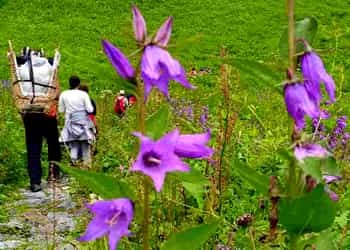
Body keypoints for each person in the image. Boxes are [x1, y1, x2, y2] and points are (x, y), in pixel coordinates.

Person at [18, 49, 61, 192]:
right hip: (48, 112)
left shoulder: (22, 70)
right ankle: (54, 174)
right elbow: (56, 90)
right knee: (53, 144)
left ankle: (35, 181)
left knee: (33, 147)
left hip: (30, 112)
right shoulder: (49, 67)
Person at [59, 76, 96, 167]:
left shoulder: (64, 94)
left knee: (74, 146)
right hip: (83, 124)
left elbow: (61, 110)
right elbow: (90, 110)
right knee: (85, 147)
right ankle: (86, 167)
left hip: (70, 124)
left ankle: (74, 167)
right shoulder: (83, 95)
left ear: (69, 83)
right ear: (79, 84)